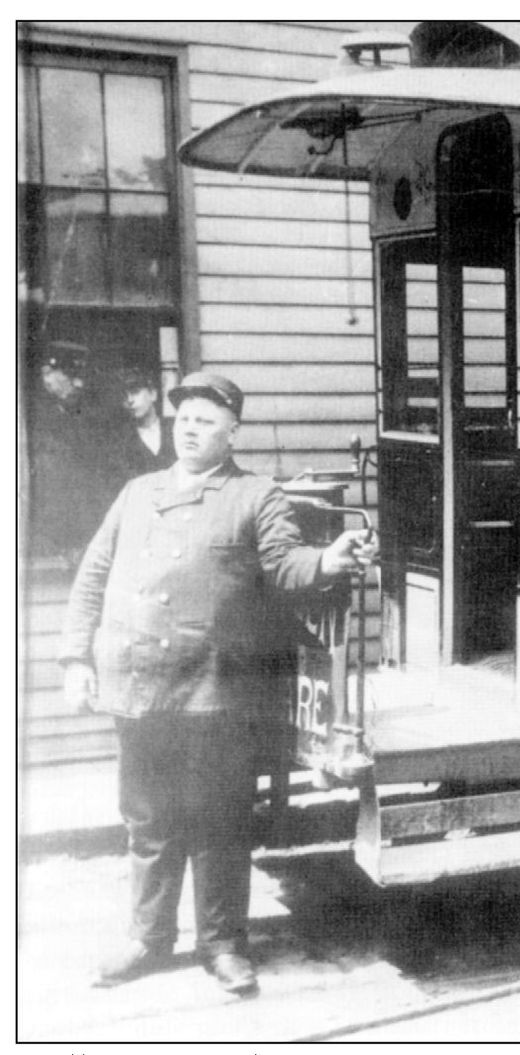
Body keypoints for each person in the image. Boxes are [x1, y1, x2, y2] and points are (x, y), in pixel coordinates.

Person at [60, 372, 375, 996]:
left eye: (206, 420)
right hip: (140, 686)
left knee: (220, 821)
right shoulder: (136, 492)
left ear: (233, 431)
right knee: (147, 819)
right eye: (184, 419)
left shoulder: (256, 496)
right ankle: (148, 940)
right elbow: (92, 577)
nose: (190, 429)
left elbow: (286, 566)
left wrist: (330, 560)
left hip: (216, 691)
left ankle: (224, 944)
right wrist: (76, 658)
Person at [28, 341, 115, 563]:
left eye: (49, 373)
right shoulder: (47, 410)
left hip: (91, 504)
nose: (45, 380)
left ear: (67, 375)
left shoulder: (93, 409)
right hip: (61, 509)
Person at [112, 366, 176, 477]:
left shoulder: (176, 427)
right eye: (124, 396)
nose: (130, 400)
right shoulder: (120, 440)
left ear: (153, 394)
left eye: (135, 392)